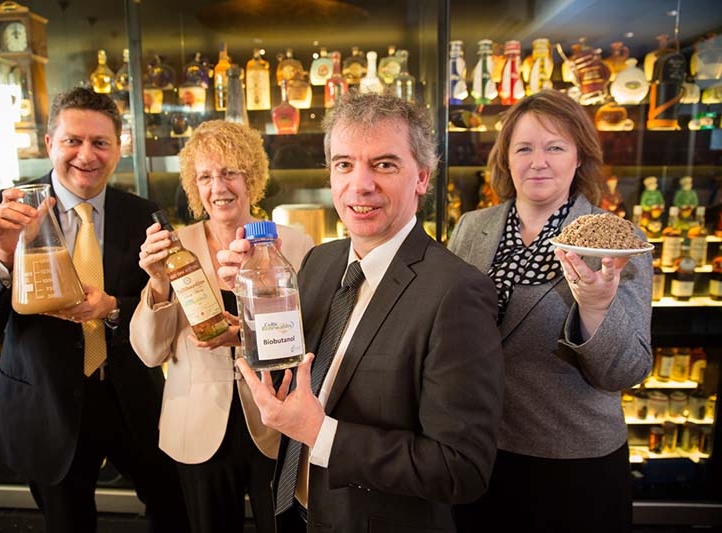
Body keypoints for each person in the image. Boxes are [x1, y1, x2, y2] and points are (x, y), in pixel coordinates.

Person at [219, 92, 505, 532]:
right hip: (294, 512)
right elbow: (294, 365)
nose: (360, 185)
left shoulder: (457, 292)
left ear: (422, 178)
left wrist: (321, 434)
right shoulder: (319, 262)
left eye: (384, 165)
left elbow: (460, 469)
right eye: (344, 164)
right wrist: (252, 310)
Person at [0, 87, 188, 533]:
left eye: (100, 143)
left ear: (120, 148)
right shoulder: (4, 212)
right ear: (49, 144)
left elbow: (168, 306)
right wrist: (2, 257)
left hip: (132, 399)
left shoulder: (144, 215)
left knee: (174, 511)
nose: (86, 155)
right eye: (72, 141)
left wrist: (114, 307)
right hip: (45, 405)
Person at [448, 89, 652, 533]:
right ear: (505, 159)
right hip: (479, 452)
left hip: (572, 465)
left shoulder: (616, 238)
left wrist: (596, 307)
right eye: (524, 148)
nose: (538, 161)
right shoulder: (471, 226)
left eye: (555, 147)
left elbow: (626, 370)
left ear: (579, 158)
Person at [129, 120, 313, 533]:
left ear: (252, 178)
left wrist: (247, 336)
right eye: (206, 177)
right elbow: (148, 351)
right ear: (195, 187)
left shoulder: (295, 245)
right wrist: (158, 283)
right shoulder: (174, 249)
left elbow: (310, 336)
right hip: (197, 426)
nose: (219, 187)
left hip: (276, 422)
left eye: (230, 172)